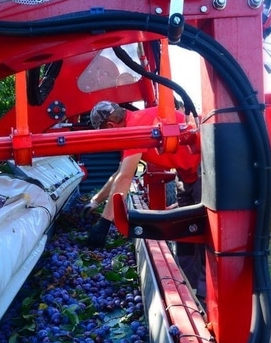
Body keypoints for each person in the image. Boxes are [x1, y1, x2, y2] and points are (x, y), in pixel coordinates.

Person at [83, 101, 206, 296]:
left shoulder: (135, 128)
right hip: (187, 174)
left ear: (110, 127)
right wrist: (95, 201)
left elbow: (125, 177)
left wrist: (104, 223)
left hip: (203, 171)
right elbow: (119, 173)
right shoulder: (137, 120)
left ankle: (205, 293)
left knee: (203, 233)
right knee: (186, 232)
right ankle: (187, 288)